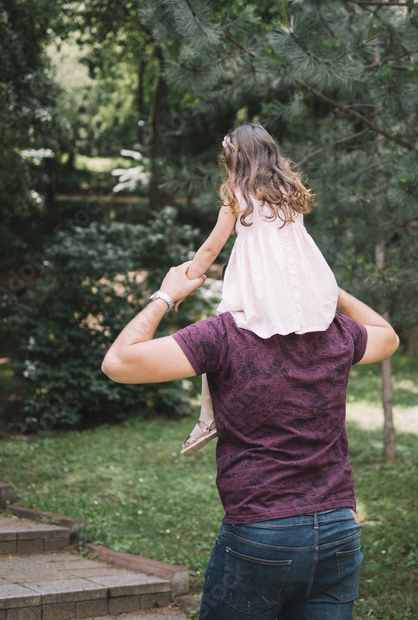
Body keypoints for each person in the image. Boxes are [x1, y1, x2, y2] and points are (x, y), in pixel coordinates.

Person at [102, 257, 398, 618]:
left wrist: (166, 294)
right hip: (338, 528)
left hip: (261, 532)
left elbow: (118, 362)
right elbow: (388, 337)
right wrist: (325, 287)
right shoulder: (337, 331)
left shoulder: (222, 335)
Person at [178, 123, 339, 455]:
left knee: (220, 335)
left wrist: (185, 281)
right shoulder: (291, 193)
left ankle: (208, 417)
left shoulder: (238, 198)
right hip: (300, 289)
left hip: (260, 289)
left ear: (236, 162)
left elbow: (211, 248)